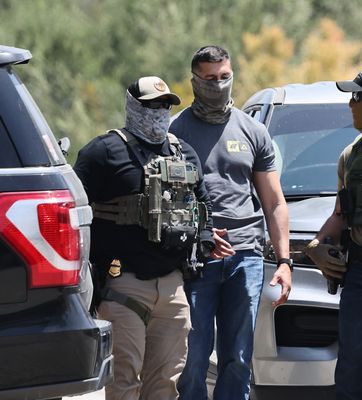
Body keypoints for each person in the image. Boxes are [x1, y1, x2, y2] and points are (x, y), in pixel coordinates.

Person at [74, 76, 229, 400]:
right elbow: (73, 211)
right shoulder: (103, 152)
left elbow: (203, 205)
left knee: (166, 384)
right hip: (121, 282)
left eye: (164, 106)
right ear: (132, 106)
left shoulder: (183, 152)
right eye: (150, 105)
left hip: (172, 286)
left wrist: (203, 237)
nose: (158, 111)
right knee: (124, 381)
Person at [173, 45, 293, 400]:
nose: (218, 85)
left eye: (225, 77)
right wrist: (203, 236)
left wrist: (285, 261)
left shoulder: (252, 130)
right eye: (210, 79)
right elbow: (169, 204)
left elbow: (273, 202)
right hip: (196, 260)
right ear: (194, 81)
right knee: (192, 357)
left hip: (246, 258)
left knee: (239, 358)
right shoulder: (176, 132)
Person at [303, 65, 362, 400]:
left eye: (358, 96)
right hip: (359, 271)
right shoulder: (352, 154)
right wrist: (317, 244)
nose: (351, 104)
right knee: (351, 365)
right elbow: (340, 214)